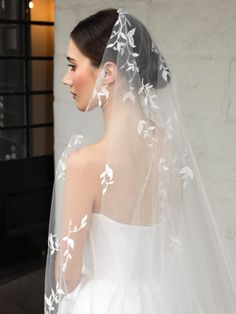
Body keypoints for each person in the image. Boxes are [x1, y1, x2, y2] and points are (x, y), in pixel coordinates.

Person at [44, 8, 236, 314]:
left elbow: (66, 275)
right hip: (162, 297)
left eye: (72, 66)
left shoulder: (85, 164)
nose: (66, 79)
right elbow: (174, 240)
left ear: (107, 72)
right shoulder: (172, 148)